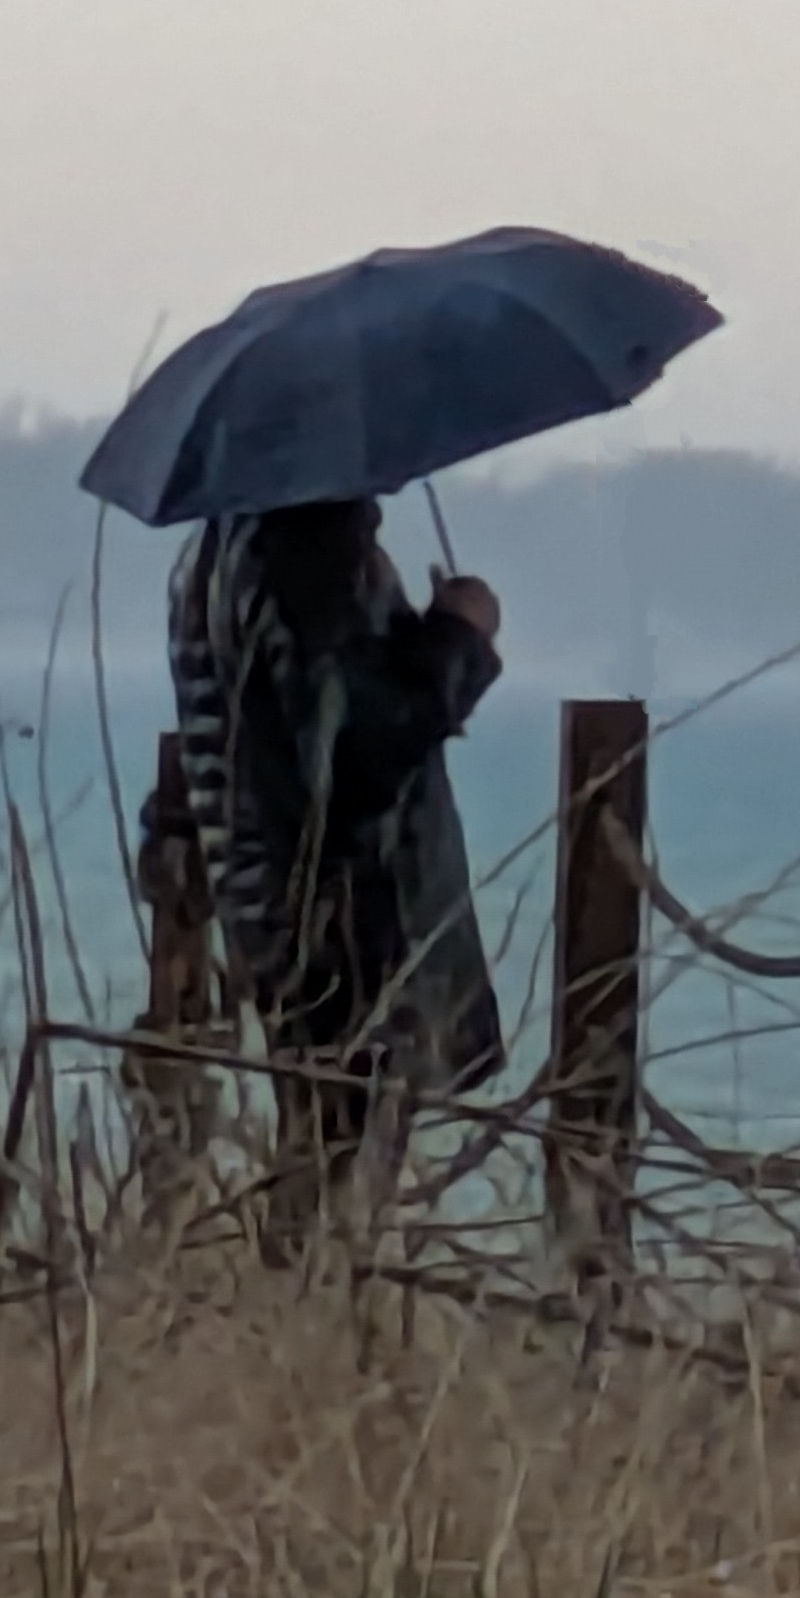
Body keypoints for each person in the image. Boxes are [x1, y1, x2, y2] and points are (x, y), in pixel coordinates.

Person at [160, 495, 507, 1209]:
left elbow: (299, 718)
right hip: (344, 928)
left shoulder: (221, 545)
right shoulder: (307, 550)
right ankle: (316, 1310)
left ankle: (298, 1309)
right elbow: (357, 752)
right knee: (344, 1190)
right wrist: (459, 635)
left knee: (319, 1159)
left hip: (271, 916)